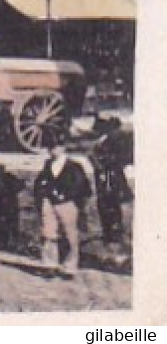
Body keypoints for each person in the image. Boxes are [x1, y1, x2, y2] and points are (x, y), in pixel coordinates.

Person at [33, 137, 91, 277]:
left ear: (63, 148)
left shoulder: (74, 166)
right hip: (49, 202)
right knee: (48, 233)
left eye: (56, 147)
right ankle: (49, 264)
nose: (52, 151)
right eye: (50, 148)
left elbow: (82, 186)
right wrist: (43, 194)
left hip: (67, 203)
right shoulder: (48, 164)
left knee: (70, 234)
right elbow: (39, 182)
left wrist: (66, 195)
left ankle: (69, 267)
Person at [91, 116, 133, 246]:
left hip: (111, 176)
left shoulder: (111, 141)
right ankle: (110, 233)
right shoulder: (102, 141)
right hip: (104, 176)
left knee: (112, 203)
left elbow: (119, 158)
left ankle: (114, 233)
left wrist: (104, 164)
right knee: (105, 203)